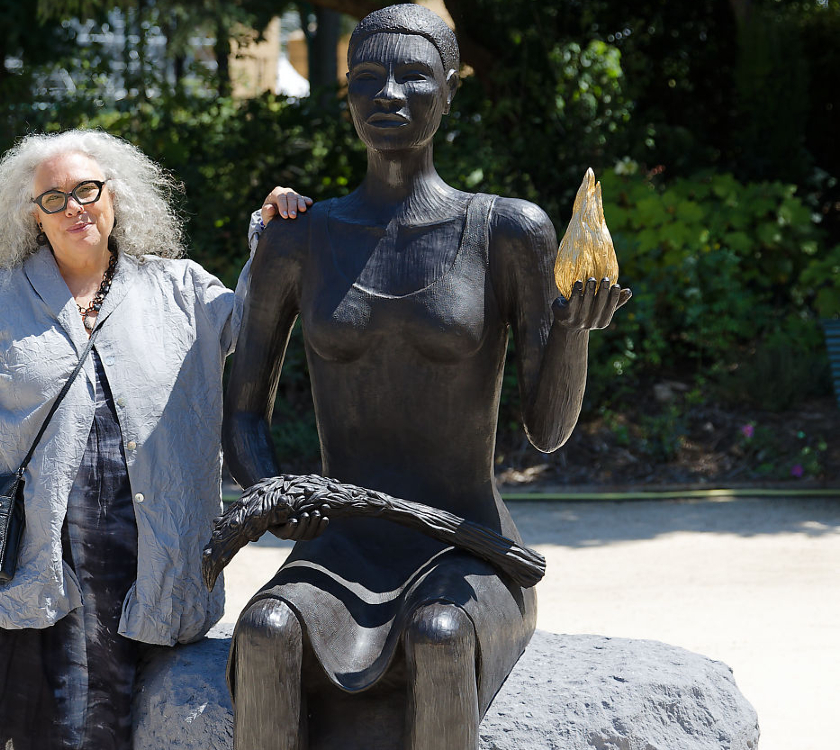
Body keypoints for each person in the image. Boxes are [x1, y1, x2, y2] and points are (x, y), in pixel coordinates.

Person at [223, 5, 631, 750]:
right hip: (339, 545)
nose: (389, 94)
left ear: (450, 90)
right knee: (264, 630)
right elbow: (243, 411)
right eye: (368, 77)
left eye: (413, 76)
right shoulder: (299, 239)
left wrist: (571, 335)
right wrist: (273, 497)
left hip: (468, 548)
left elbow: (547, 431)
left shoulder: (509, 230)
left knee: (439, 636)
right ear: (344, 93)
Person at [0, 128, 311, 750]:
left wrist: (274, 236)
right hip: (34, 553)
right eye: (55, 198)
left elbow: (253, 320)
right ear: (32, 216)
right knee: (44, 722)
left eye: (87, 190)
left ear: (115, 197)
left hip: (147, 554)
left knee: (137, 719)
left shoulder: (178, 288)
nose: (74, 206)